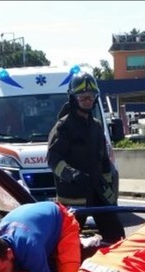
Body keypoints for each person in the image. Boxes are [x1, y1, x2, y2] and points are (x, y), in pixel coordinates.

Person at [47, 72, 124, 243]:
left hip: (98, 193)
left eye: (91, 96)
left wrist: (108, 188)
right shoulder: (64, 127)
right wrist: (72, 175)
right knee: (68, 242)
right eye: (82, 97)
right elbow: (53, 159)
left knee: (116, 236)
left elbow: (103, 160)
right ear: (73, 98)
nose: (87, 100)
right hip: (74, 196)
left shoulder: (96, 126)